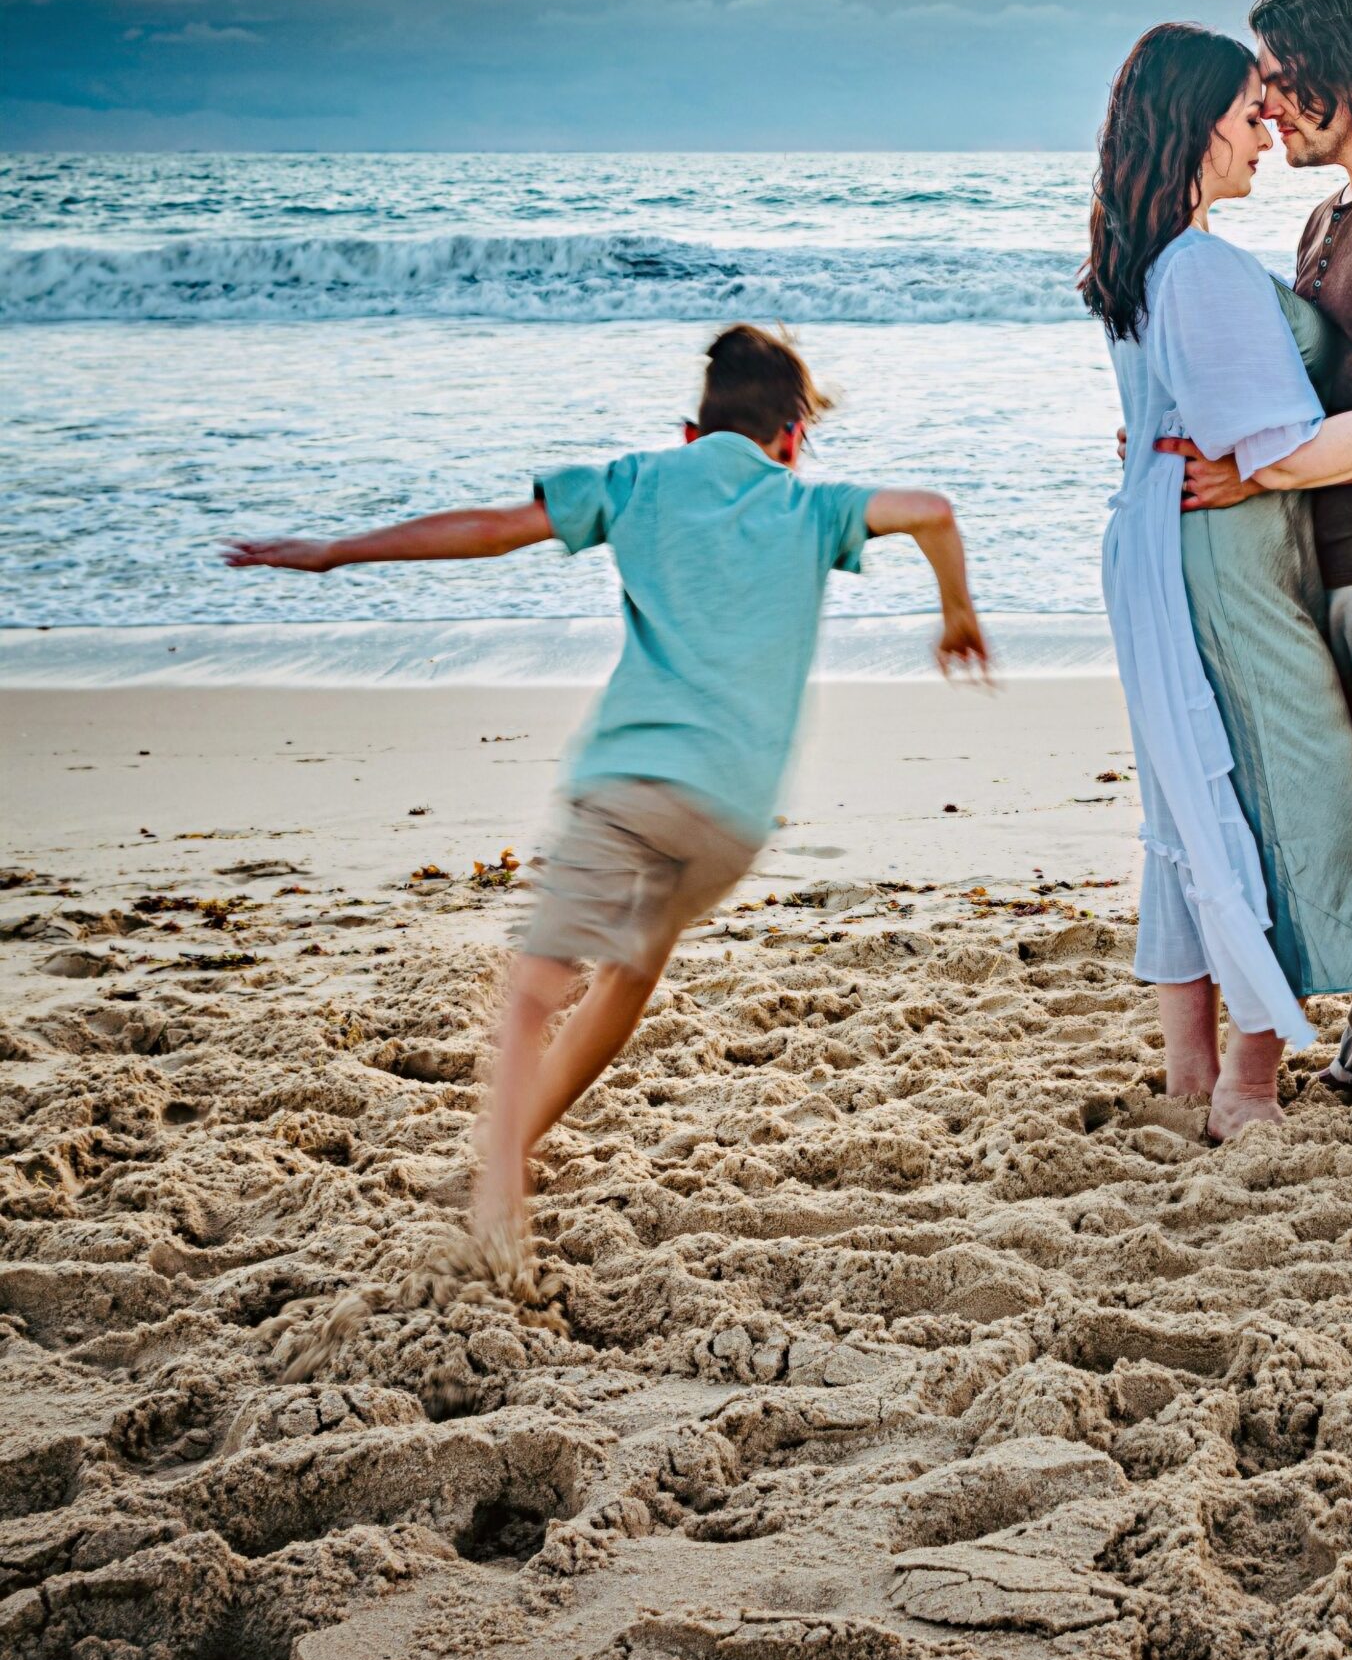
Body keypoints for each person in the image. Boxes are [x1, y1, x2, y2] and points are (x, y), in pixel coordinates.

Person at [223, 323, 990, 1271]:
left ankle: (499, 1184)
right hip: (730, 821)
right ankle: (516, 1142)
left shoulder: (638, 481)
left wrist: (336, 552)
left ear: (687, 431)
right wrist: (957, 612)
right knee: (630, 974)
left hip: (628, 786)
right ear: (793, 436)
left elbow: (492, 531)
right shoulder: (810, 505)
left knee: (538, 985)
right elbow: (933, 509)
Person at [1086, 23, 1352, 1142]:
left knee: (1190, 789)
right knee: (1285, 785)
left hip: (1164, 545)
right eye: (1246, 109)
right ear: (1195, 123)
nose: (1265, 129)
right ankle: (1247, 1082)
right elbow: (1279, 455)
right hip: (1227, 562)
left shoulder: (1146, 262)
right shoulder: (1207, 268)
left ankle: (1190, 1069)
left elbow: (1194, 426)